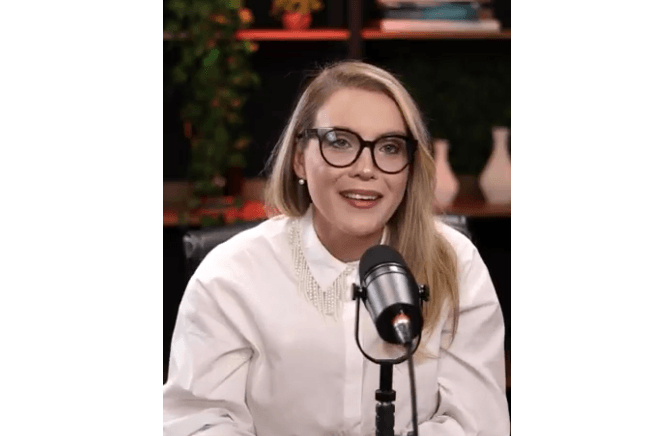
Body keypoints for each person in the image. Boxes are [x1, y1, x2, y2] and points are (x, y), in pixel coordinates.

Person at [163, 60, 510, 436]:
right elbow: (196, 423)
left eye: (389, 147)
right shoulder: (230, 274)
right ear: (300, 158)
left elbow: (479, 423)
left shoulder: (457, 263)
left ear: (409, 167)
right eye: (340, 142)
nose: (366, 169)